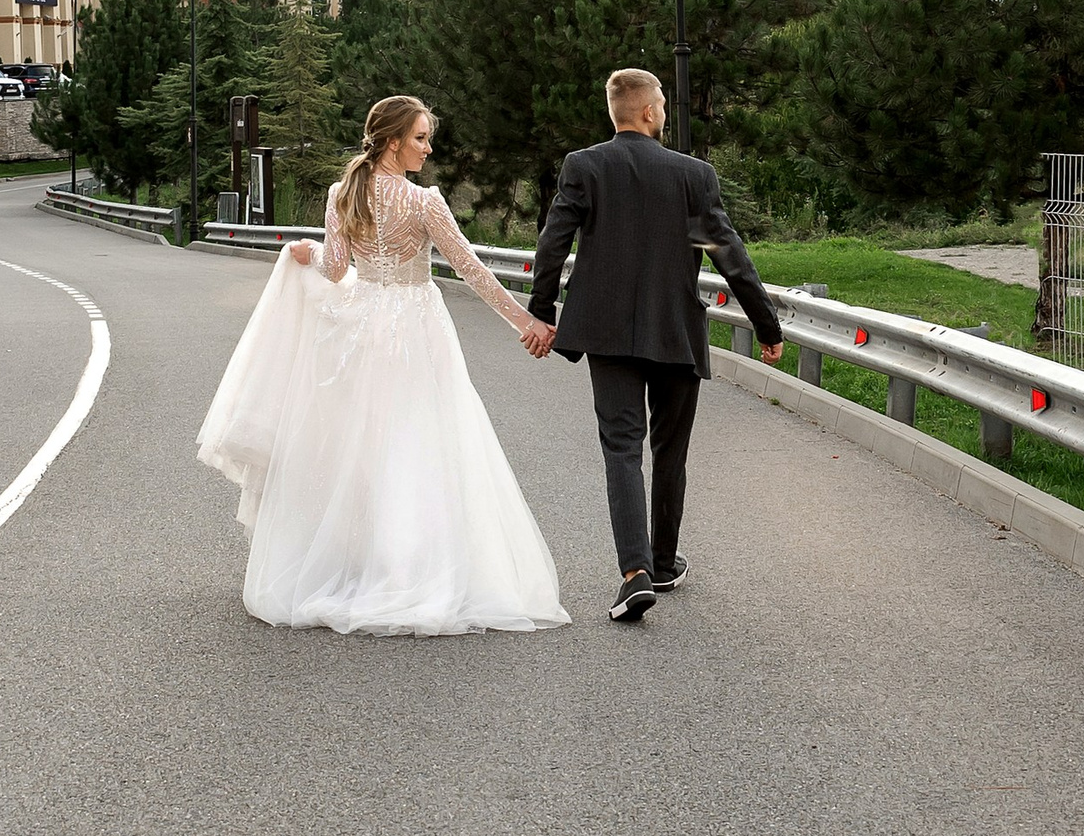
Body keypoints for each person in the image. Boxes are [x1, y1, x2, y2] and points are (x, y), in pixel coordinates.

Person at [196, 95, 569, 635]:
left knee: (364, 442)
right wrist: (525, 322)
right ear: (393, 141)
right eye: (420, 137)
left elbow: (335, 269)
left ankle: (359, 563)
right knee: (418, 440)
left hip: (363, 322)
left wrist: (306, 252)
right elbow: (472, 272)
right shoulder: (424, 203)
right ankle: (406, 569)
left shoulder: (343, 192)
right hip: (415, 323)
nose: (428, 146)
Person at [527, 67, 786, 624]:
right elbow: (727, 252)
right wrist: (766, 325)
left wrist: (543, 312)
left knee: (622, 447)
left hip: (608, 332)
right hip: (675, 331)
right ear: (647, 112)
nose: (666, 110)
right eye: (663, 103)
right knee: (669, 449)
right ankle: (664, 563)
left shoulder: (585, 166)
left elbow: (554, 242)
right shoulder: (692, 176)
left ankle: (634, 573)